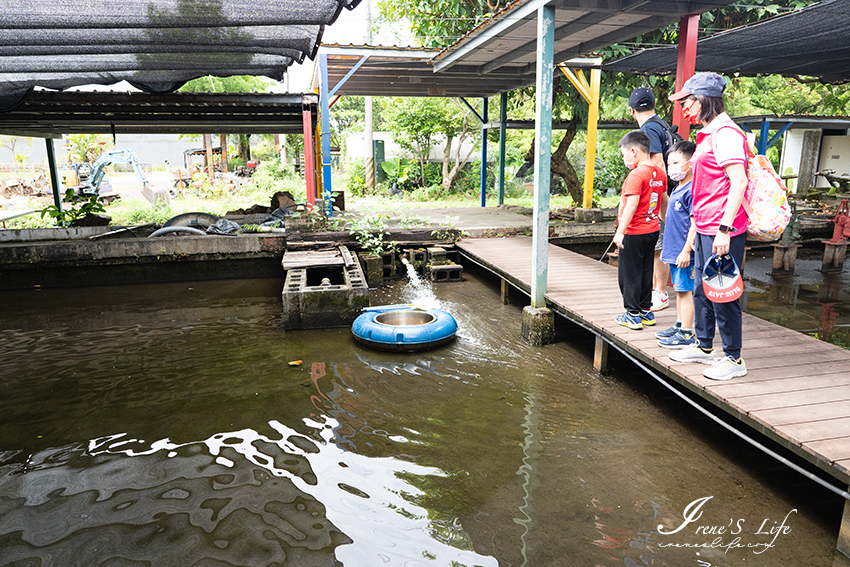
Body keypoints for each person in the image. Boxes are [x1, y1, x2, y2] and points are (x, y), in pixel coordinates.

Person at [667, 72, 748, 380]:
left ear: (701, 101)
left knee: (723, 291)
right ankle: (704, 347)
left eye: (686, 103)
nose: (684, 110)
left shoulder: (726, 133)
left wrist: (725, 230)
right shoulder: (709, 133)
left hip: (721, 229)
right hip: (704, 226)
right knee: (703, 289)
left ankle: (733, 358)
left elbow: (738, 181)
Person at [613, 130, 668, 330]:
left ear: (634, 151)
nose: (625, 159)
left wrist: (620, 231)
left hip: (634, 232)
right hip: (652, 230)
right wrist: (667, 225)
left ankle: (632, 314)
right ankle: (646, 310)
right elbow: (664, 201)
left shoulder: (636, 174)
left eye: (624, 154)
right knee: (646, 270)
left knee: (629, 273)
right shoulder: (659, 172)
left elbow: (631, 205)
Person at [629, 87, 673, 312]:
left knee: (658, 247)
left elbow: (658, 164)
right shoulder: (662, 124)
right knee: (661, 244)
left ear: (632, 110)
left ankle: (661, 293)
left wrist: (657, 200)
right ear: (654, 105)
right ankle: (659, 289)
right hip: (670, 192)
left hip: (662, 195)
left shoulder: (648, 129)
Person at [655, 140, 697, 349]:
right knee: (679, 291)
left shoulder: (692, 190)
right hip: (673, 251)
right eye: (669, 163)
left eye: (676, 162)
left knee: (684, 291)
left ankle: (687, 333)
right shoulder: (679, 188)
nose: (672, 167)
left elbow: (694, 223)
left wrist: (687, 250)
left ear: (690, 163)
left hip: (683, 253)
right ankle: (680, 325)